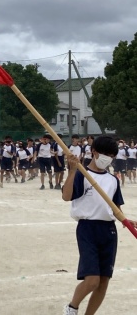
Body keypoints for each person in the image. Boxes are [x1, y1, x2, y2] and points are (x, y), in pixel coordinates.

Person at [62, 135, 137, 315]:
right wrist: (72, 170)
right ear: (94, 151)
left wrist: (126, 220)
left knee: (103, 282)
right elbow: (66, 196)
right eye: (105, 153)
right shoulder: (82, 173)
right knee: (92, 280)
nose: (108, 158)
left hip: (108, 231)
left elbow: (115, 208)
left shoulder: (113, 180)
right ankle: (71, 308)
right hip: (87, 229)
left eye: (111, 155)